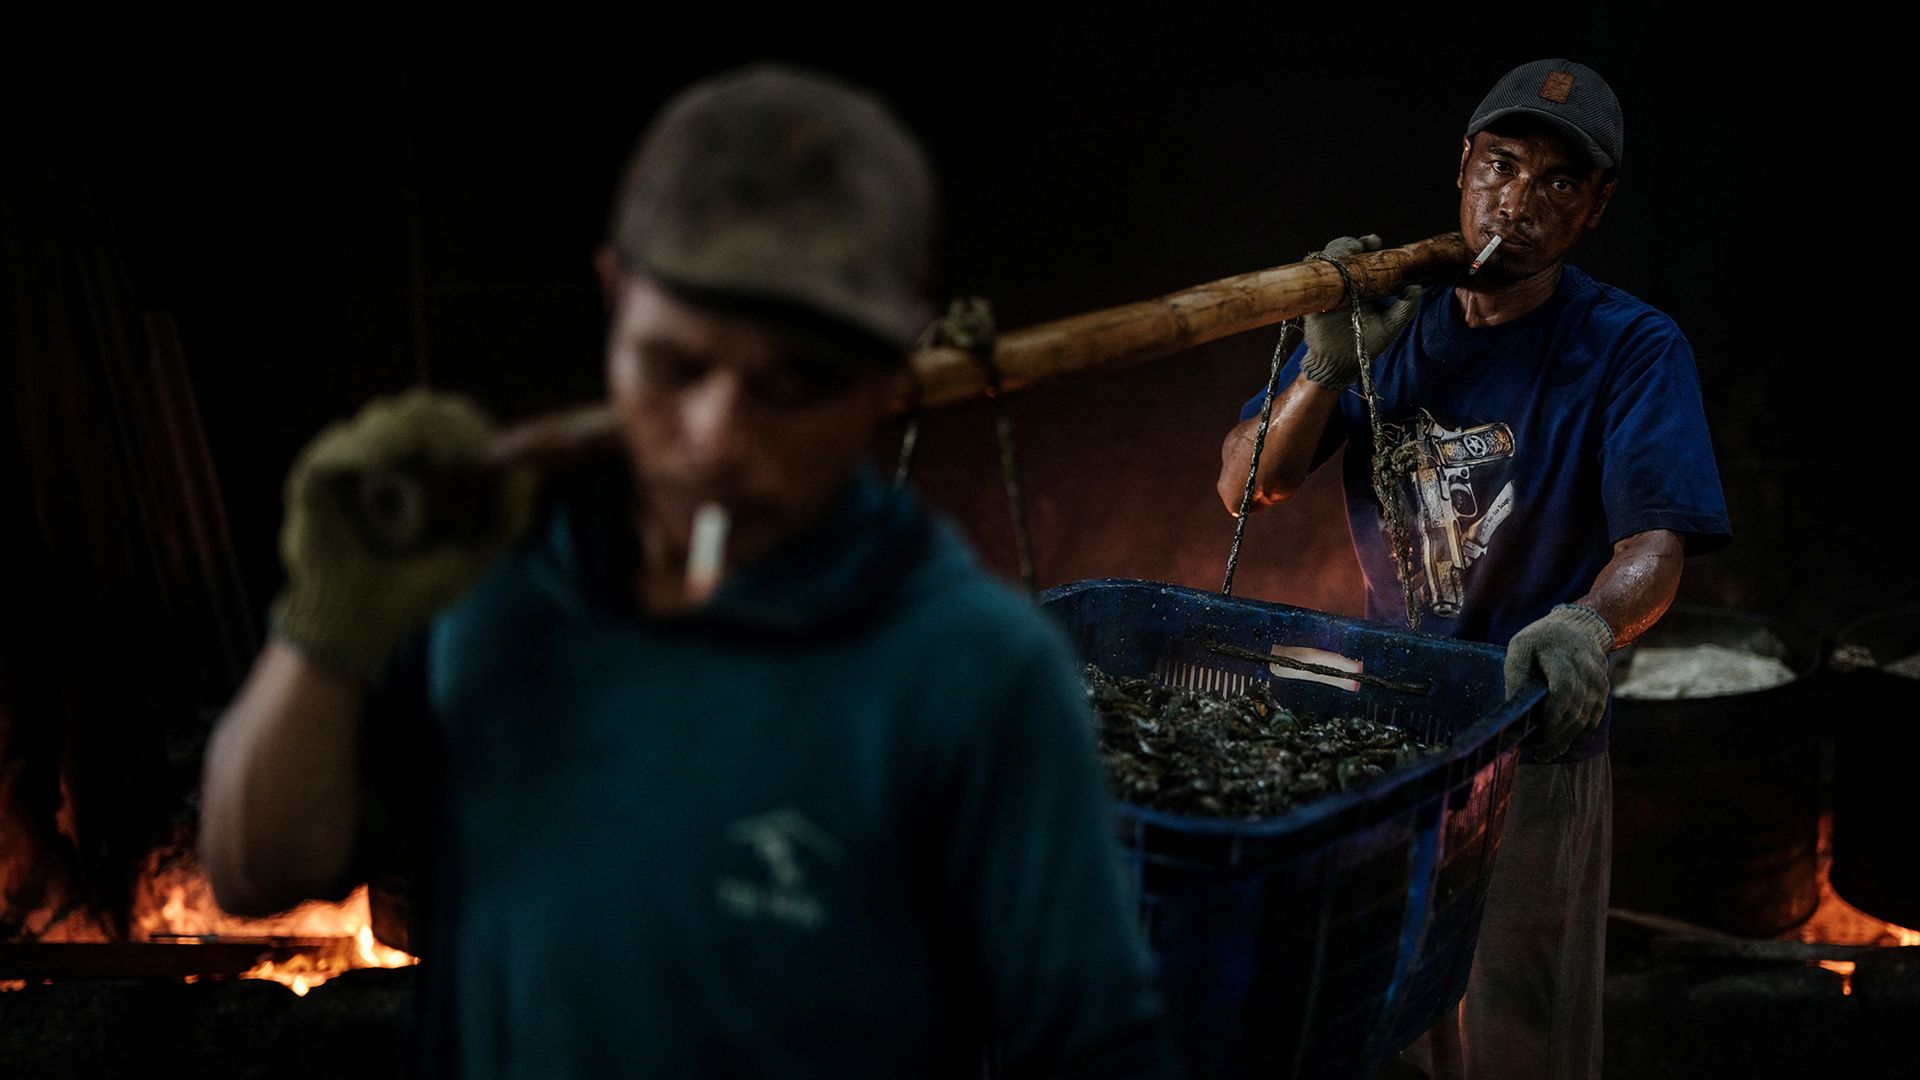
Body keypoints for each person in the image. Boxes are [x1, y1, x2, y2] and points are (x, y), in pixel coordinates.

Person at [200, 63, 1174, 1078]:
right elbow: (256, 870)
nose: (716, 439)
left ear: (887, 377)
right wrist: (329, 616)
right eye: (675, 364)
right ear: (617, 297)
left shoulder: (970, 670)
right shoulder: (484, 580)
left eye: (791, 386)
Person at [1216, 59, 1730, 1080]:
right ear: (1463, 168)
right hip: (1385, 748)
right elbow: (1245, 488)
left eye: (1556, 184)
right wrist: (1325, 367)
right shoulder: (1385, 327)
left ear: (1594, 210)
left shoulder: (1629, 347)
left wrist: (1588, 627)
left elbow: (1655, 547)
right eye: (1502, 166)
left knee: (1518, 1042)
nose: (1518, 201)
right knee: (1382, 1030)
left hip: (1533, 745)